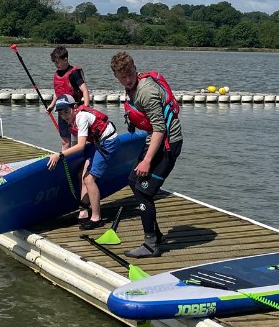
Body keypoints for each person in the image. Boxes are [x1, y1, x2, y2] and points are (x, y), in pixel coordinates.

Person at [110, 51, 183, 258]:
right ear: (116, 76)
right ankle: (156, 236)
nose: (128, 80)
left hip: (167, 144)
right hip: (155, 140)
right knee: (134, 181)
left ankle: (150, 245)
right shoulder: (131, 87)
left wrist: (147, 161)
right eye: (123, 77)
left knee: (144, 191)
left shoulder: (146, 91)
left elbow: (160, 129)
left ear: (135, 68)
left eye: (130, 74)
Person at [46, 94, 120, 229]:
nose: (64, 116)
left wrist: (59, 155)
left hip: (108, 142)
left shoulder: (81, 117)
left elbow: (80, 146)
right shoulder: (71, 120)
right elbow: (76, 145)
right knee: (82, 174)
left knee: (89, 179)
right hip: (97, 143)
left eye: (66, 111)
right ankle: (83, 212)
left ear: (74, 107)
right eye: (61, 113)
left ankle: (97, 218)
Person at [47, 46, 90, 151]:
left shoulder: (74, 73)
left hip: (74, 110)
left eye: (57, 62)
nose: (56, 64)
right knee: (64, 140)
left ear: (65, 59)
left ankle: (78, 158)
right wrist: (52, 105)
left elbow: (85, 90)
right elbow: (58, 93)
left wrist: (86, 107)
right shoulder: (57, 74)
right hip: (62, 111)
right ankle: (65, 158)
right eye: (54, 62)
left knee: (76, 141)